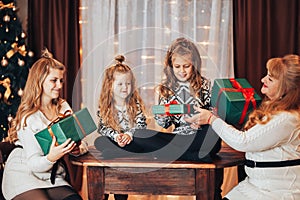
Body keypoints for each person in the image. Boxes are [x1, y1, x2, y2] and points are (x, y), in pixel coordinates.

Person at [185, 54, 300, 200]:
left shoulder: (287, 119)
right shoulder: (277, 111)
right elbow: (257, 137)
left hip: (275, 193)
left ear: (287, 89)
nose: (263, 80)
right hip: (254, 187)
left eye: (270, 79)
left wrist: (211, 119)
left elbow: (243, 142)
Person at [2, 49, 87, 200]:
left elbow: (80, 141)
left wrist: (76, 148)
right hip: (23, 173)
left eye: (61, 80)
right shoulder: (28, 117)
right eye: (54, 80)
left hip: (51, 176)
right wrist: (52, 157)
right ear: (39, 81)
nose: (59, 85)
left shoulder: (63, 106)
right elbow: (34, 163)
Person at [153, 37, 221, 162]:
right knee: (140, 134)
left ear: (194, 64)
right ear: (171, 66)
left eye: (186, 66)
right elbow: (165, 124)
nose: (182, 71)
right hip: (178, 139)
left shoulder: (204, 85)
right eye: (177, 66)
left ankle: (173, 154)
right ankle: (190, 156)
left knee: (213, 132)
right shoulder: (166, 89)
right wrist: (162, 116)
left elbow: (214, 112)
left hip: (200, 136)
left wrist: (204, 120)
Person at [94, 55, 147, 200]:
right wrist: (117, 136)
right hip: (114, 141)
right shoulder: (105, 107)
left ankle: (119, 151)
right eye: (120, 84)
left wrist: (129, 135)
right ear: (110, 85)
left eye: (128, 83)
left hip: (132, 142)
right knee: (100, 140)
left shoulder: (135, 104)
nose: (125, 87)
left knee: (144, 139)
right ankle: (117, 150)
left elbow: (141, 124)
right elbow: (103, 127)